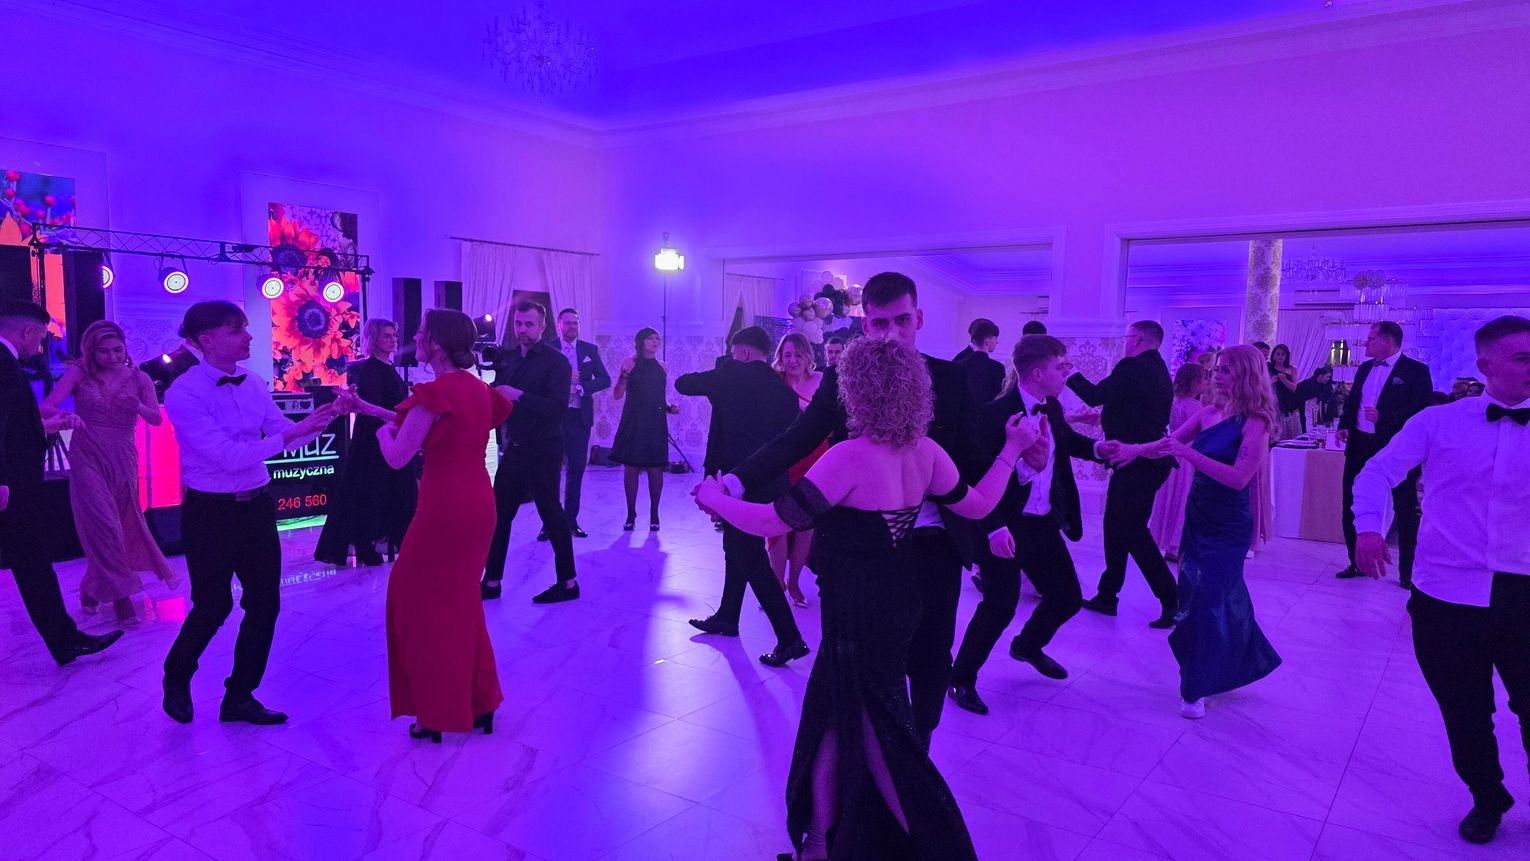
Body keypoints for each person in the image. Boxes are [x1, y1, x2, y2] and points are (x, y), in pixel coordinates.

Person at [697, 336, 1037, 861]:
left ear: (854, 391)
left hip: (857, 609)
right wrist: (1011, 451)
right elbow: (979, 505)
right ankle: (820, 843)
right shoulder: (926, 452)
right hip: (899, 601)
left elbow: (773, 521)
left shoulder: (848, 457)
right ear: (916, 391)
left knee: (884, 742)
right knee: (836, 721)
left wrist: (715, 497)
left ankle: (930, 849)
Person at [719, 272, 984, 743]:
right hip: (857, 548)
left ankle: (915, 757)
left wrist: (1008, 495)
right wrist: (735, 482)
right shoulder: (847, 379)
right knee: (852, 663)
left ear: (919, 319)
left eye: (902, 320)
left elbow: (971, 459)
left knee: (929, 657)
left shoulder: (950, 378)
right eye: (880, 323)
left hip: (934, 543)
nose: (891, 333)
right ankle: (863, 760)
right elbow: (797, 438)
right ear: (866, 326)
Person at [1352, 315, 1530, 846]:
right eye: (1522, 358)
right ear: (1486, 366)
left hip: (1525, 592)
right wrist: (1368, 528)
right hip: (1444, 596)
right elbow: (1376, 471)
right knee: (1465, 711)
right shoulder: (1439, 422)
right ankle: (1487, 797)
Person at [161, 301, 340, 725]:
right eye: (236, 330)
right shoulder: (184, 393)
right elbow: (227, 457)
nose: (249, 335)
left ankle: (240, 695)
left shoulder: (255, 382)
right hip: (211, 510)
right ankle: (177, 674)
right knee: (213, 604)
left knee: (265, 603)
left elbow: (285, 435)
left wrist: (325, 418)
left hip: (257, 504)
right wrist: (291, 435)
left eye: (244, 327)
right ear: (206, 341)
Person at [1106, 345, 1283, 720]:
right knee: (1205, 594)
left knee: (1207, 599)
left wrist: (1189, 455)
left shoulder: (1257, 421)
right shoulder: (1208, 413)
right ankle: (1240, 660)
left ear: (1246, 374)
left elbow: (1238, 478)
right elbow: (1166, 446)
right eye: (1217, 369)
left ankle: (1195, 686)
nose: (1217, 375)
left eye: (1226, 370)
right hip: (1199, 514)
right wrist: (1133, 449)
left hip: (1229, 523)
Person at [376, 310, 510, 742]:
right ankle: (481, 700)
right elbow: (422, 421)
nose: (414, 337)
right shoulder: (479, 389)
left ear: (434, 343)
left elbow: (398, 456)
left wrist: (380, 434)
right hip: (479, 501)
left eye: (420, 332)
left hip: (444, 507)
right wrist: (371, 411)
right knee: (462, 600)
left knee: (414, 601)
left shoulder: (433, 393)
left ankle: (435, 711)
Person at [949, 335, 1101, 715]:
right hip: (1003, 524)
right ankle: (961, 678)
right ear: (1037, 373)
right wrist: (994, 527)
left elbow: (1066, 444)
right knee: (999, 605)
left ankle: (1028, 645)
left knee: (1067, 596)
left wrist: (1101, 450)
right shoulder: (993, 415)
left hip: (1041, 521)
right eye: (1060, 367)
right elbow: (977, 477)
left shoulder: (1051, 407)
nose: (1066, 372)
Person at [677, 326, 809, 666]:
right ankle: (727, 616)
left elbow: (683, 383)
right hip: (770, 481)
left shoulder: (729, 375)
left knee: (749, 555)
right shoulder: (784, 393)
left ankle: (790, 638)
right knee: (736, 547)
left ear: (744, 353)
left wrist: (724, 366)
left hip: (735, 483)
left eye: (734, 353)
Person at [0, 301, 124, 664]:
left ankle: (65, 641)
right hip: (12, 487)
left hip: (16, 483)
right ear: (28, 332)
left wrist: (44, 426)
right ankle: (65, 641)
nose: (40, 345)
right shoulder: (4, 364)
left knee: (32, 561)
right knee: (32, 560)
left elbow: (12, 425)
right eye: (41, 337)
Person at [40, 320, 175, 623]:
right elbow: (47, 406)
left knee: (119, 525)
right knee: (103, 525)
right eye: (104, 351)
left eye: (117, 350)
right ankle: (121, 597)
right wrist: (65, 416)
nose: (112, 356)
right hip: (87, 455)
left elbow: (155, 419)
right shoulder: (79, 373)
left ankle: (91, 586)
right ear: (91, 351)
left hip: (123, 456)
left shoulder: (139, 378)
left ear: (125, 348)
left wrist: (137, 406)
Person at [1069, 320, 1178, 629]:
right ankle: (1108, 594)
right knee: (1117, 528)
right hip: (1148, 462)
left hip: (1138, 462)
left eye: (1127, 337)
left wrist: (1068, 371)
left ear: (1137, 339)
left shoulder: (1132, 367)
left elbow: (1094, 394)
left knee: (1131, 532)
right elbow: (1133, 407)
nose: (1124, 343)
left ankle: (1171, 597)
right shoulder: (1159, 370)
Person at [482, 300, 579, 604]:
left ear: (542, 327)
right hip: (515, 447)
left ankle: (568, 583)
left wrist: (519, 395)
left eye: (529, 324)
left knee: (550, 512)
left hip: (544, 447)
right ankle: (492, 581)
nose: (522, 329)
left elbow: (557, 408)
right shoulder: (511, 360)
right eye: (518, 323)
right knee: (498, 514)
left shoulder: (556, 362)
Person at [1336, 321, 1433, 586]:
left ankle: (1407, 572)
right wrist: (1344, 424)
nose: (1365, 343)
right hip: (1359, 444)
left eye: (1371, 339)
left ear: (1388, 341)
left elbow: (1423, 412)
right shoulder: (1364, 368)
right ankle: (1356, 563)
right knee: (1352, 502)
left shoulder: (1416, 371)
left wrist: (1385, 417)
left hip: (1396, 448)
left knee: (1404, 507)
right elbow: (1353, 401)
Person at [314, 318, 417, 567]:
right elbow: (374, 407)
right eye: (386, 336)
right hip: (374, 438)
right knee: (370, 492)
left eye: (394, 335)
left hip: (389, 433)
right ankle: (366, 545)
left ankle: (386, 543)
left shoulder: (388, 367)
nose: (393, 340)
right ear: (373, 339)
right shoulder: (371, 368)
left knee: (393, 491)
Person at [538, 308, 610, 541]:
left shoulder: (589, 350)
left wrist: (582, 387)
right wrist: (562, 380)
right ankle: (549, 523)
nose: (572, 327)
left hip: (579, 419)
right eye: (568, 323)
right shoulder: (547, 349)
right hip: (554, 418)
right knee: (550, 470)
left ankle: (570, 521)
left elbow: (605, 379)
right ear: (559, 325)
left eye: (575, 323)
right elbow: (538, 380)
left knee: (576, 469)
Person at [767, 332, 827, 607]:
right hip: (783, 461)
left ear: (807, 356)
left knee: (806, 526)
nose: (792, 360)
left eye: (797, 354)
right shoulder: (774, 383)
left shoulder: (822, 380)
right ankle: (776, 584)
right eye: (787, 355)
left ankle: (794, 583)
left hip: (816, 461)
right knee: (776, 525)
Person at [610, 327, 675, 532]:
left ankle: (654, 513)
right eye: (650, 338)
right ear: (640, 342)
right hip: (634, 420)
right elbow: (617, 395)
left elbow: (659, 397)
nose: (655, 342)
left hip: (655, 422)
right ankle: (631, 513)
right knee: (631, 468)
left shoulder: (662, 366)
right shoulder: (629, 362)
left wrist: (669, 408)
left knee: (656, 469)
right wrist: (623, 377)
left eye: (657, 339)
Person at [1149, 362, 1208, 562]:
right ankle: (1176, 545)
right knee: (1183, 498)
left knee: (1169, 498)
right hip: (1187, 456)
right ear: (1194, 382)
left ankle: (1166, 541)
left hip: (1173, 454)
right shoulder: (1196, 406)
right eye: (1203, 379)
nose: (1206, 382)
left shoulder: (1174, 402)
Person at [953, 318, 1006, 406]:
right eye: (995, 338)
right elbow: (999, 398)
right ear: (987, 341)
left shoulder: (960, 363)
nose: (997, 342)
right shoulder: (998, 367)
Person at [1269, 343, 1302, 440]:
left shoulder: (1292, 369)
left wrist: (1284, 380)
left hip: (1288, 401)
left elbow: (1294, 387)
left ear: (1286, 356)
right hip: (1274, 400)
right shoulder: (1268, 367)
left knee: (1290, 434)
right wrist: (1272, 381)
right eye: (1278, 354)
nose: (1280, 356)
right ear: (1273, 355)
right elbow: (1261, 385)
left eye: (1283, 354)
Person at [1293, 365, 1337, 430]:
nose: (1328, 379)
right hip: (1298, 405)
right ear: (1320, 376)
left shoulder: (1321, 384)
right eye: (1327, 376)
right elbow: (1320, 397)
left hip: (1306, 408)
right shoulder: (1309, 384)